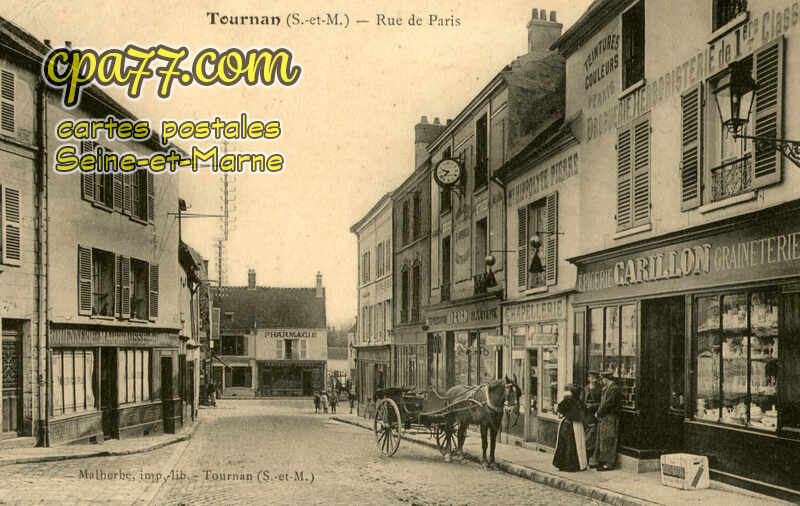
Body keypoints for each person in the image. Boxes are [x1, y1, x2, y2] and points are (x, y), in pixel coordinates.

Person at [552, 384, 588, 472]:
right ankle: (575, 465)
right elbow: (584, 414)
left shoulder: (567, 400)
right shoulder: (580, 403)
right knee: (576, 444)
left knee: (565, 444)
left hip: (566, 424)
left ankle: (563, 464)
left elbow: (559, 409)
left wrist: (562, 414)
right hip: (577, 426)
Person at [593, 371, 622, 471]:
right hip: (605, 417)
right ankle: (601, 461)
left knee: (609, 439)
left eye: (602, 379)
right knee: (603, 439)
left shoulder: (614, 389)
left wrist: (599, 413)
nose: (601, 381)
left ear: (606, 379)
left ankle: (609, 464)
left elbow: (608, 403)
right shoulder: (606, 388)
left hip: (611, 417)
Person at [583, 371, 603, 466]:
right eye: (591, 377)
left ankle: (592, 459)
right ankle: (585, 459)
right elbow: (582, 400)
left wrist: (592, 405)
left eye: (594, 377)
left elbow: (602, 403)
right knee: (586, 437)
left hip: (595, 415)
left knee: (592, 438)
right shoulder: (586, 388)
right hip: (586, 416)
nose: (592, 379)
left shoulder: (600, 388)